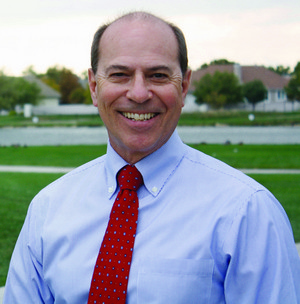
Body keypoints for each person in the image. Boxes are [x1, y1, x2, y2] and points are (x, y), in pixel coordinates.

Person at [4, 11, 300, 304]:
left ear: (183, 86)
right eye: (120, 74)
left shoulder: (247, 212)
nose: (139, 92)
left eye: (158, 75)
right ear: (94, 87)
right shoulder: (48, 208)